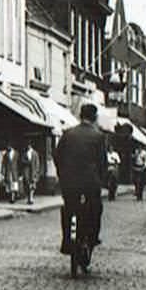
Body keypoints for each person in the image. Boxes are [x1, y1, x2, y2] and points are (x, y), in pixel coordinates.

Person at [53, 103, 109, 257]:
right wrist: (101, 179)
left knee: (68, 208)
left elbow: (57, 156)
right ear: (95, 117)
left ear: (80, 115)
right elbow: (103, 162)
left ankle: (66, 241)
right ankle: (92, 237)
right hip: (90, 183)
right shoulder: (98, 136)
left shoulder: (68, 133)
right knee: (95, 209)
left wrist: (62, 173)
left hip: (69, 182)